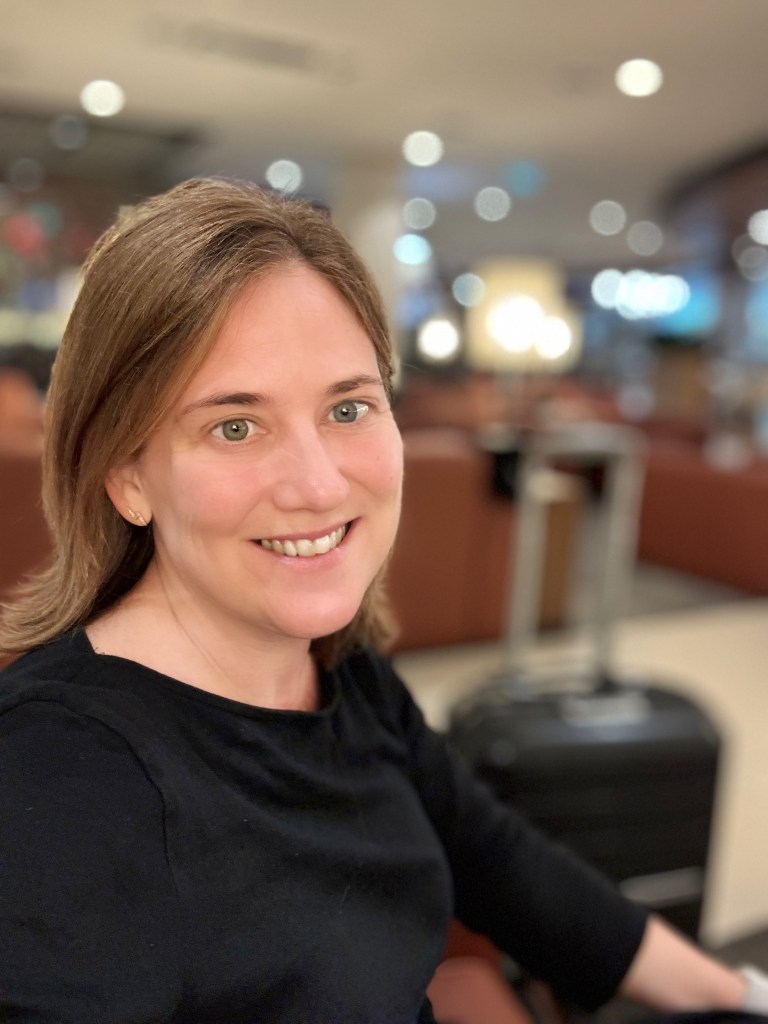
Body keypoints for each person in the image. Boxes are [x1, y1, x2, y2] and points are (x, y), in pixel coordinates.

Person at [0, 176, 763, 1024]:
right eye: (235, 426)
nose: (319, 484)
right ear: (127, 475)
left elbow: (500, 860)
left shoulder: (342, 674)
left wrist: (742, 995)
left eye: (350, 407)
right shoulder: (54, 781)